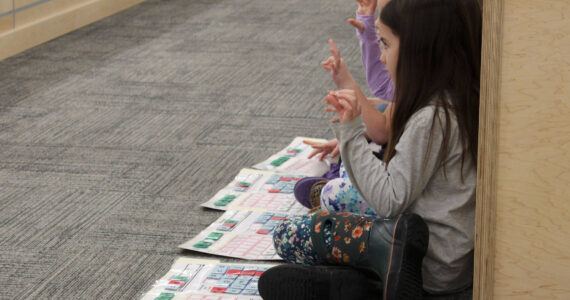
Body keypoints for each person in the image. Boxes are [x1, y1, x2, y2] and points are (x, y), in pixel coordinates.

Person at [258, 0, 482, 299]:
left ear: (421, 50)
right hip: (448, 262)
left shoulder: (432, 118)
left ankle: (369, 280)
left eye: (386, 44)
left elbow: (388, 200)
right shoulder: (459, 98)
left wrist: (350, 132)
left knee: (288, 235)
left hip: (425, 265)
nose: (381, 55)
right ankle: (365, 278)